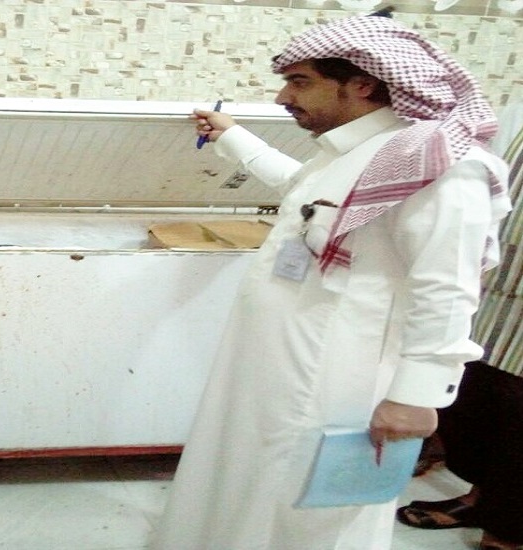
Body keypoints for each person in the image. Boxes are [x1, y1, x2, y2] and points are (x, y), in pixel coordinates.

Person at [150, 13, 511, 550]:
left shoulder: (440, 167)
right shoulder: (358, 151)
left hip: (336, 378)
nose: (283, 97)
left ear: (362, 84)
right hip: (274, 365)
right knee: (250, 485)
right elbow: (302, 190)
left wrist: (416, 396)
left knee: (307, 513)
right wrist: (233, 137)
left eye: (300, 82)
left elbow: (447, 288)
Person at [396, 105, 523, 550]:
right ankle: (479, 498)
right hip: (496, 286)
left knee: (518, 416)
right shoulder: (516, 109)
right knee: (479, 398)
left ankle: (506, 531)